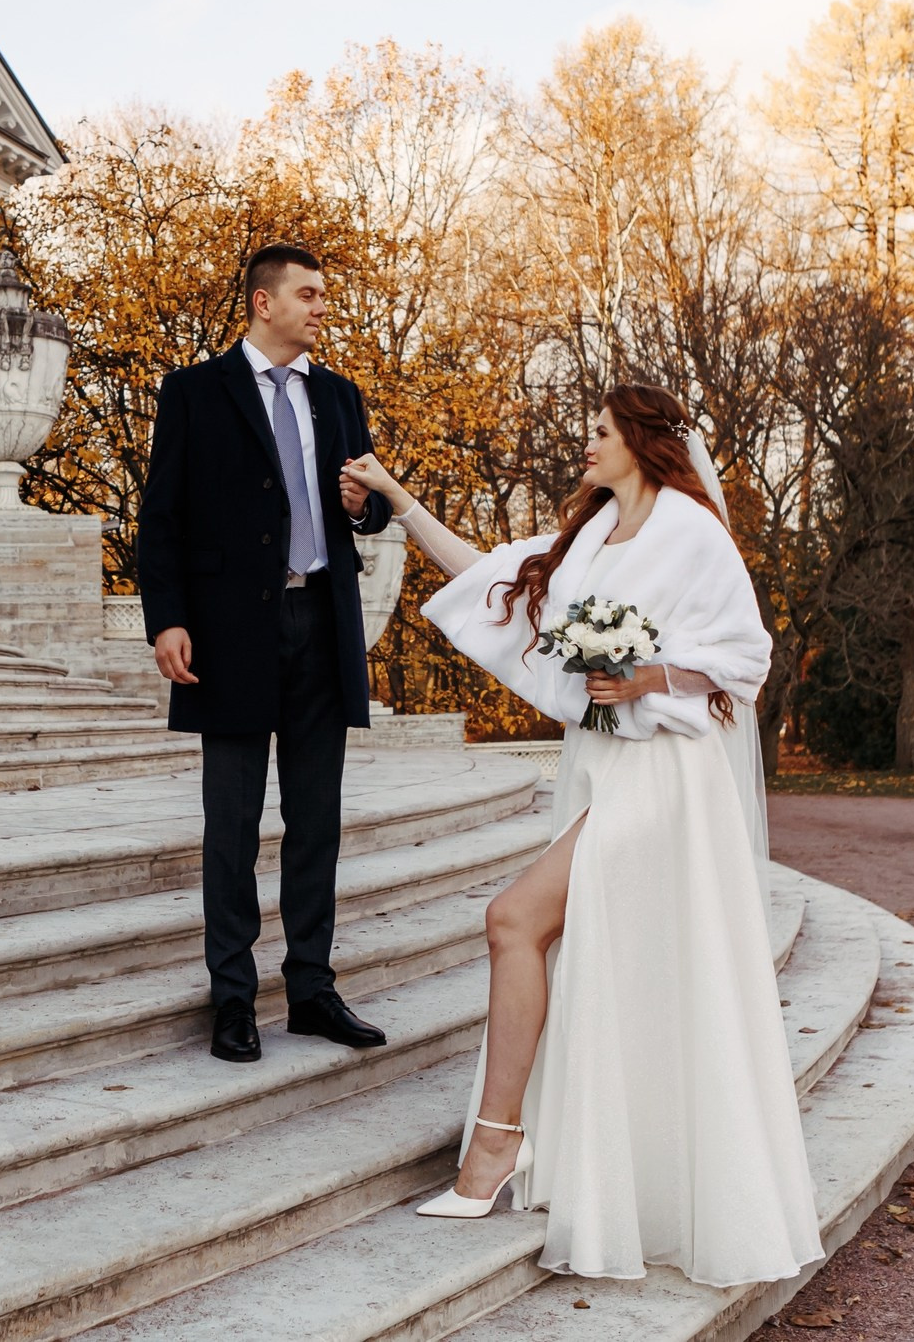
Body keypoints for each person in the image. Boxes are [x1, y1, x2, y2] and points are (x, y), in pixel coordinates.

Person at [339, 386, 821, 1290]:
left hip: (667, 783)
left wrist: (649, 676)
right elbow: (490, 578)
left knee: (513, 919)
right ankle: (551, 1159)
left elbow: (747, 658)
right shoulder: (592, 535)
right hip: (605, 771)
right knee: (571, 946)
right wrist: (402, 503)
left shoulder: (693, 532)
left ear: (640, 440)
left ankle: (491, 1159)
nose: (588, 446)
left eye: (601, 432)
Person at [137, 244, 394, 1066]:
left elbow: (371, 511)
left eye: (323, 294)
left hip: (323, 621)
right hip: (229, 632)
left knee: (317, 820)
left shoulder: (340, 395)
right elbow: (161, 518)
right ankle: (234, 998)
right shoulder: (193, 392)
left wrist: (363, 509)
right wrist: (166, 619)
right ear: (262, 302)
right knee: (232, 827)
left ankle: (312, 989)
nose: (322, 306)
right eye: (308, 293)